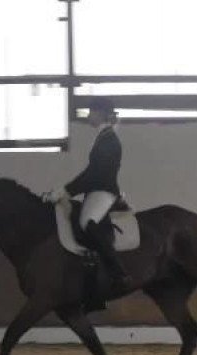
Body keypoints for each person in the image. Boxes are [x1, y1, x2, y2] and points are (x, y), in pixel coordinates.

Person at [44, 96, 132, 289]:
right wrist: (65, 191)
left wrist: (65, 191)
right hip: (95, 189)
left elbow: (94, 174)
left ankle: (118, 272)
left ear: (101, 114)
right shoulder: (102, 137)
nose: (89, 115)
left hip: (104, 190)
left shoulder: (109, 141)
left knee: (87, 222)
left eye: (92, 112)